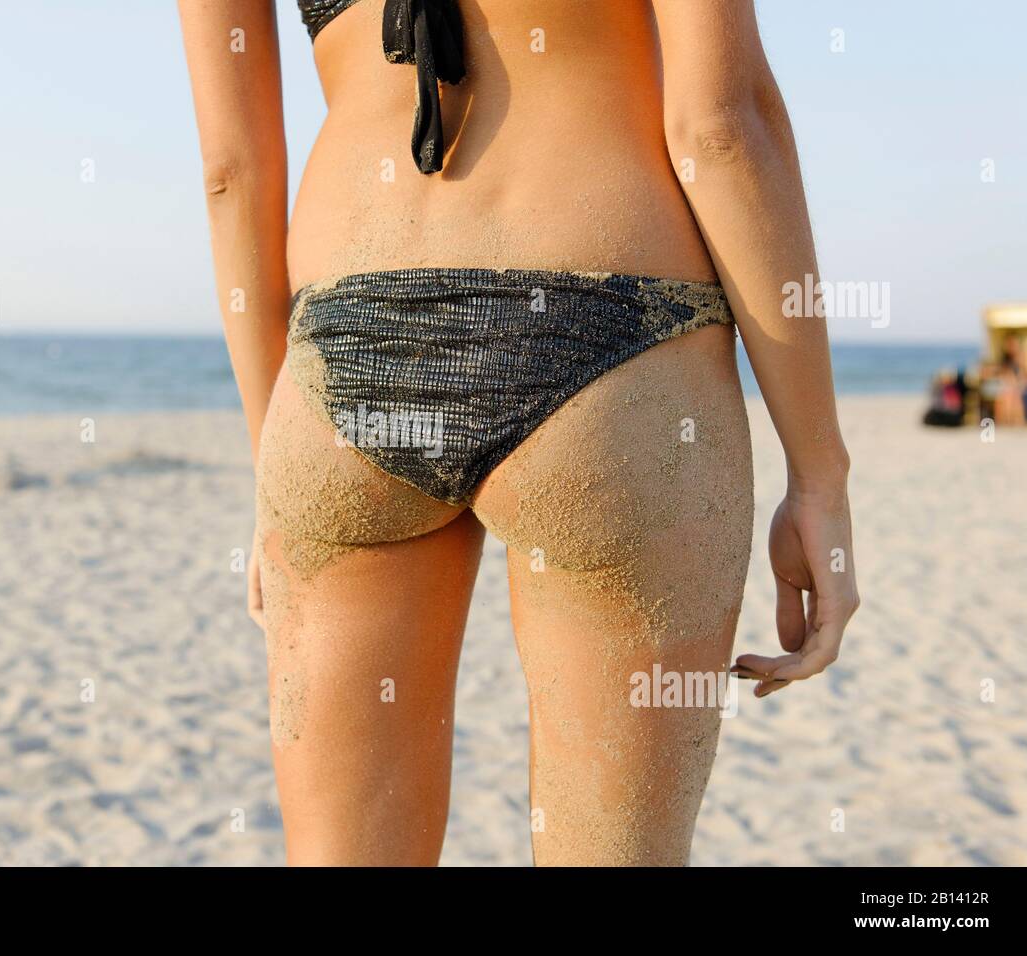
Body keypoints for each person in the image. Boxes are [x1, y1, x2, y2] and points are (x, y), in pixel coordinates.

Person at [180, 0, 859, 865]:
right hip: (619, 353)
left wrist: (274, 463)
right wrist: (818, 475)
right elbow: (723, 128)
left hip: (341, 359)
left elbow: (230, 173)